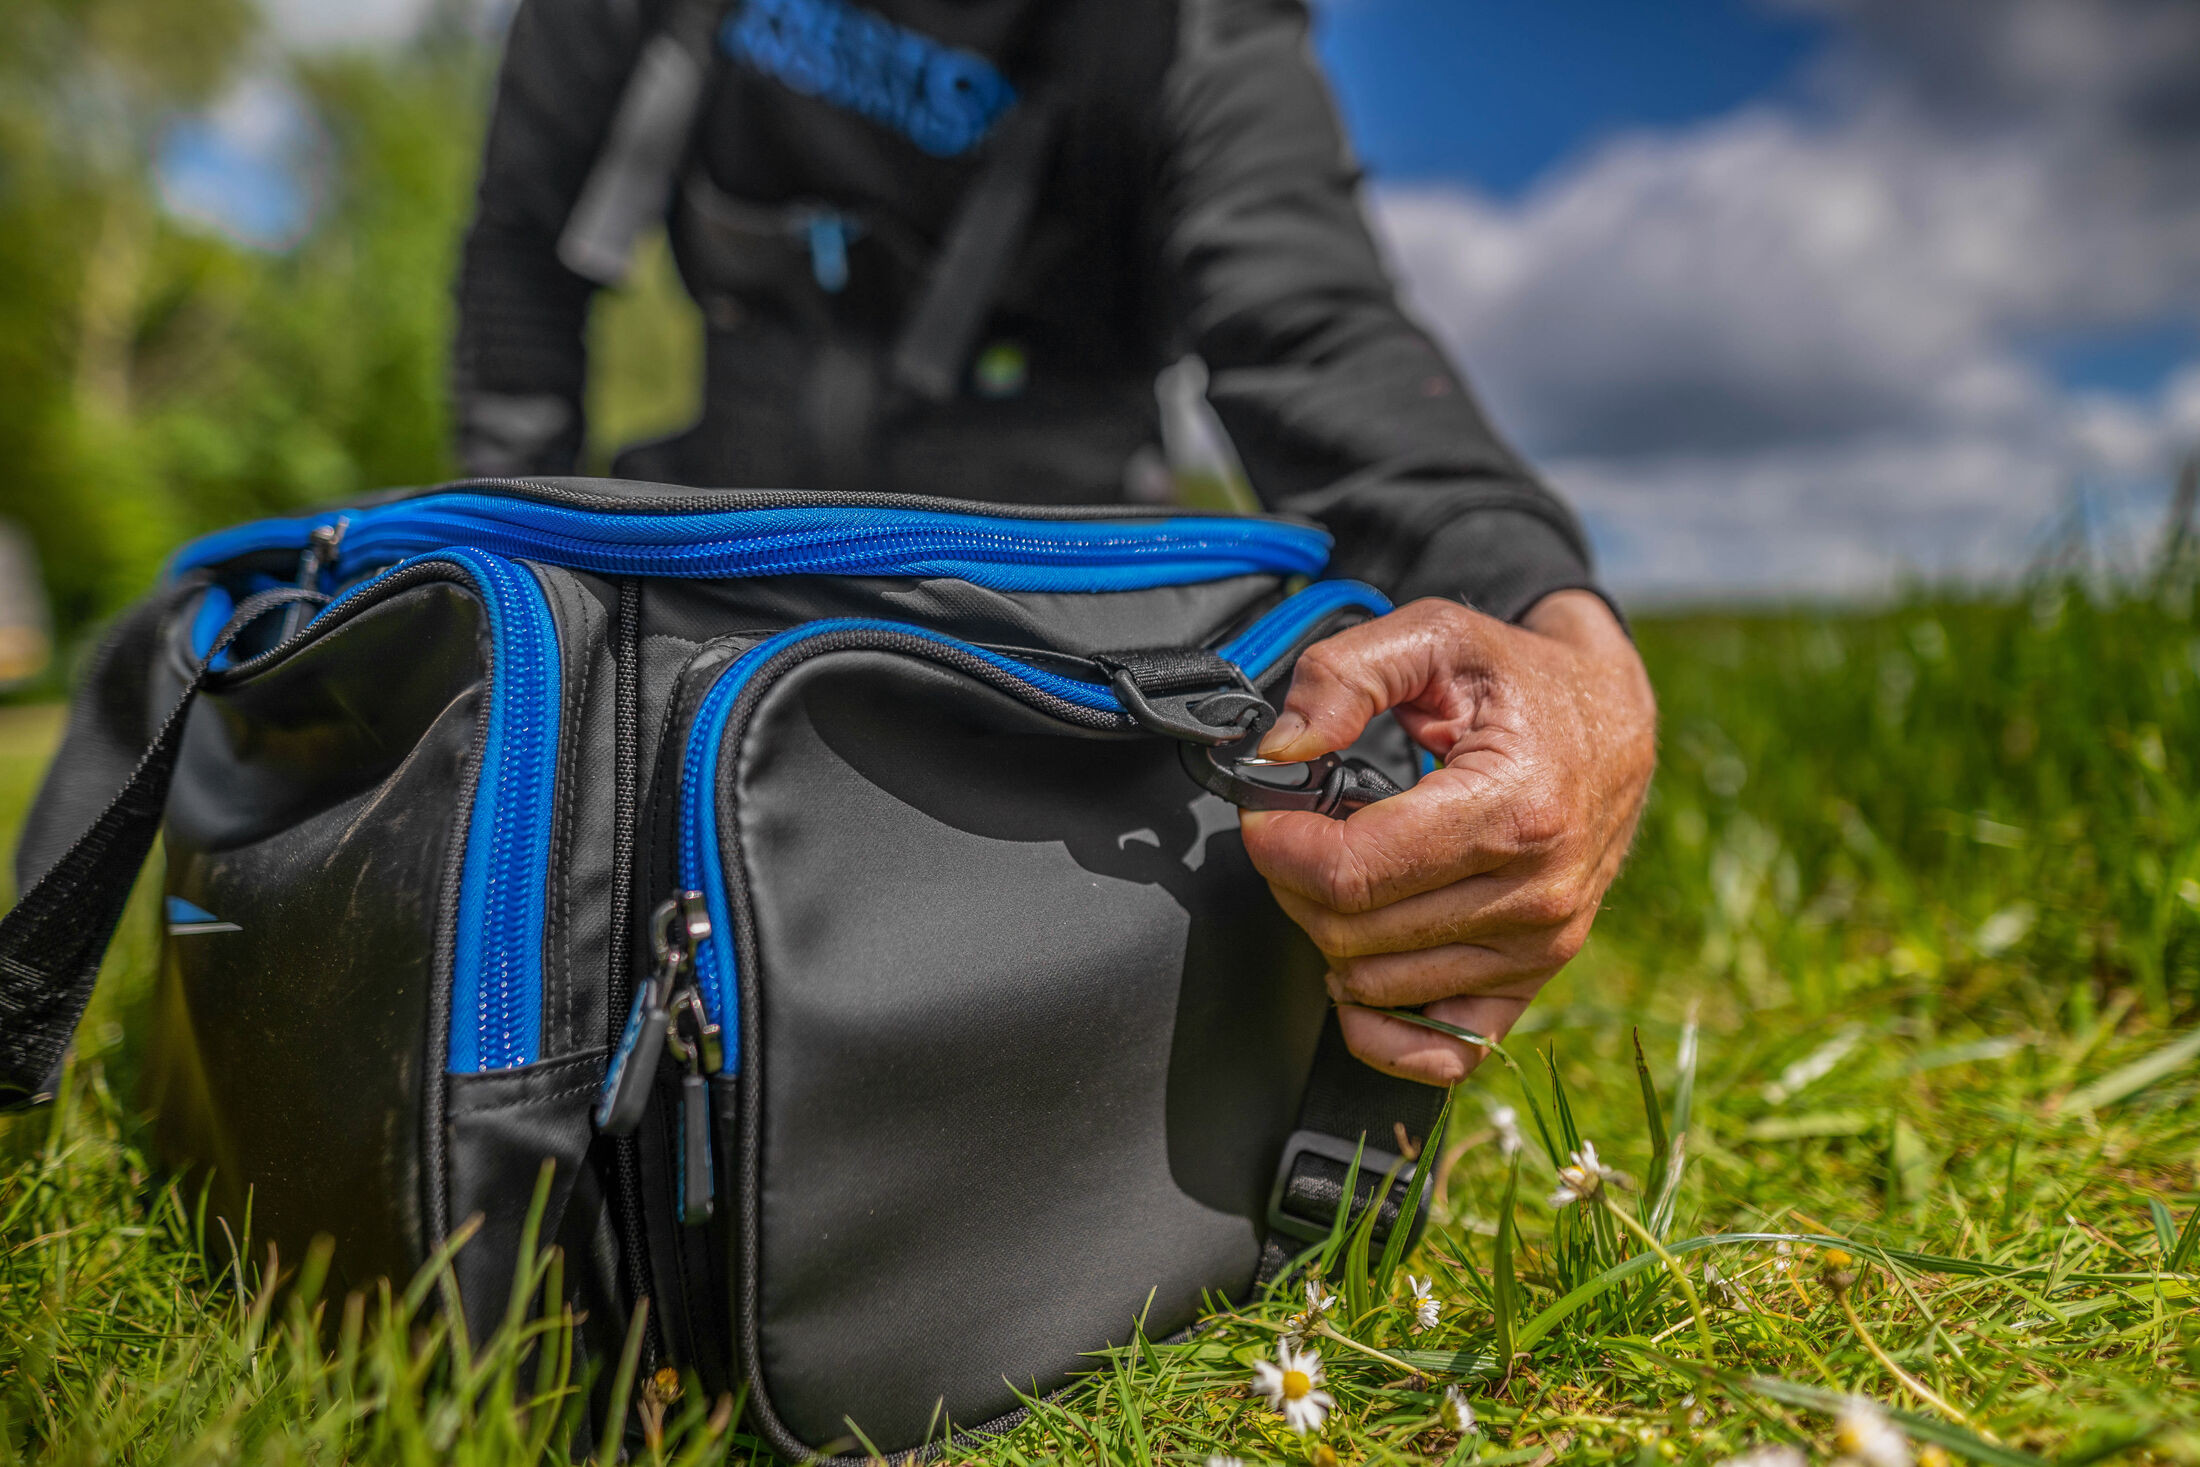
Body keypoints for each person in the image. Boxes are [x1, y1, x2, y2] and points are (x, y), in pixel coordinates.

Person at [451, 0, 1657, 1087]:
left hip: (1057, 634)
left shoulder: (1193, 31)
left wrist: (1555, 629)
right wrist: (518, 596)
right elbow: (522, 256)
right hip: (735, 562)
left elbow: (1317, 335)